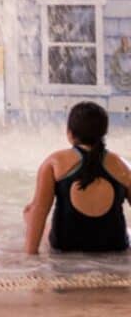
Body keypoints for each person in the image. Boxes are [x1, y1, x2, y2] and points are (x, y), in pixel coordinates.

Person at [24, 101, 131, 254]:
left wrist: (30, 257)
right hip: (113, 246)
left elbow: (40, 210)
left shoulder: (55, 161)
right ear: (103, 133)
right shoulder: (123, 165)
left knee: (30, 214)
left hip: (66, 245)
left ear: (70, 133)